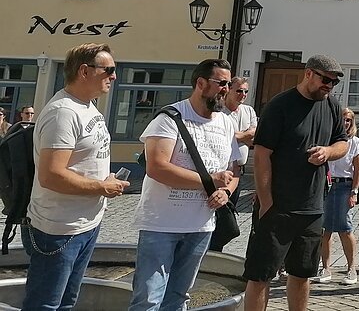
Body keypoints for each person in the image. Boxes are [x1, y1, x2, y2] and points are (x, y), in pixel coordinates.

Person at [130, 59, 241, 311]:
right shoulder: (169, 118)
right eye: (221, 83)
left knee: (179, 296)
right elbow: (157, 167)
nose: (226, 89)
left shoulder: (226, 123)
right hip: (161, 223)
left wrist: (225, 191)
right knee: (148, 297)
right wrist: (210, 181)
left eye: (229, 84)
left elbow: (234, 169)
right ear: (201, 83)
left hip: (201, 225)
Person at [25, 43, 129, 310]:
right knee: (45, 305)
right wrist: (101, 187)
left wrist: (105, 180)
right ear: (84, 71)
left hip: (86, 224)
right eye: (109, 70)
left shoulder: (88, 107)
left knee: (66, 302)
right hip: (59, 229)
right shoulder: (64, 112)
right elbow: (51, 176)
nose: (114, 76)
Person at [242, 55, 351, 311]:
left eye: (333, 83)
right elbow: (261, 154)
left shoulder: (332, 106)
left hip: (312, 207)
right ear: (308, 73)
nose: (329, 86)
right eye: (325, 80)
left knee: (302, 273)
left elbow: (342, 143)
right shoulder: (280, 105)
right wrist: (266, 202)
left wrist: (328, 152)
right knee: (261, 274)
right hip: (277, 206)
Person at [314, 107, 359, 285]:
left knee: (345, 228)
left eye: (348, 120)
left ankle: (351, 268)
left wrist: (355, 191)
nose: (345, 123)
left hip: (345, 186)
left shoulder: (355, 142)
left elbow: (358, 169)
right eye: (343, 119)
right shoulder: (329, 139)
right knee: (325, 230)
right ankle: (326, 268)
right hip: (327, 185)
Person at [211, 77, 256, 251]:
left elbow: (254, 136)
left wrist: (235, 136)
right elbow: (220, 136)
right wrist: (241, 136)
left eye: (245, 91)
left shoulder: (248, 111)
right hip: (221, 171)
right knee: (219, 214)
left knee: (228, 214)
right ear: (229, 90)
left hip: (239, 172)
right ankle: (211, 251)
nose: (243, 95)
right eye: (239, 91)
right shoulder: (219, 111)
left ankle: (216, 251)